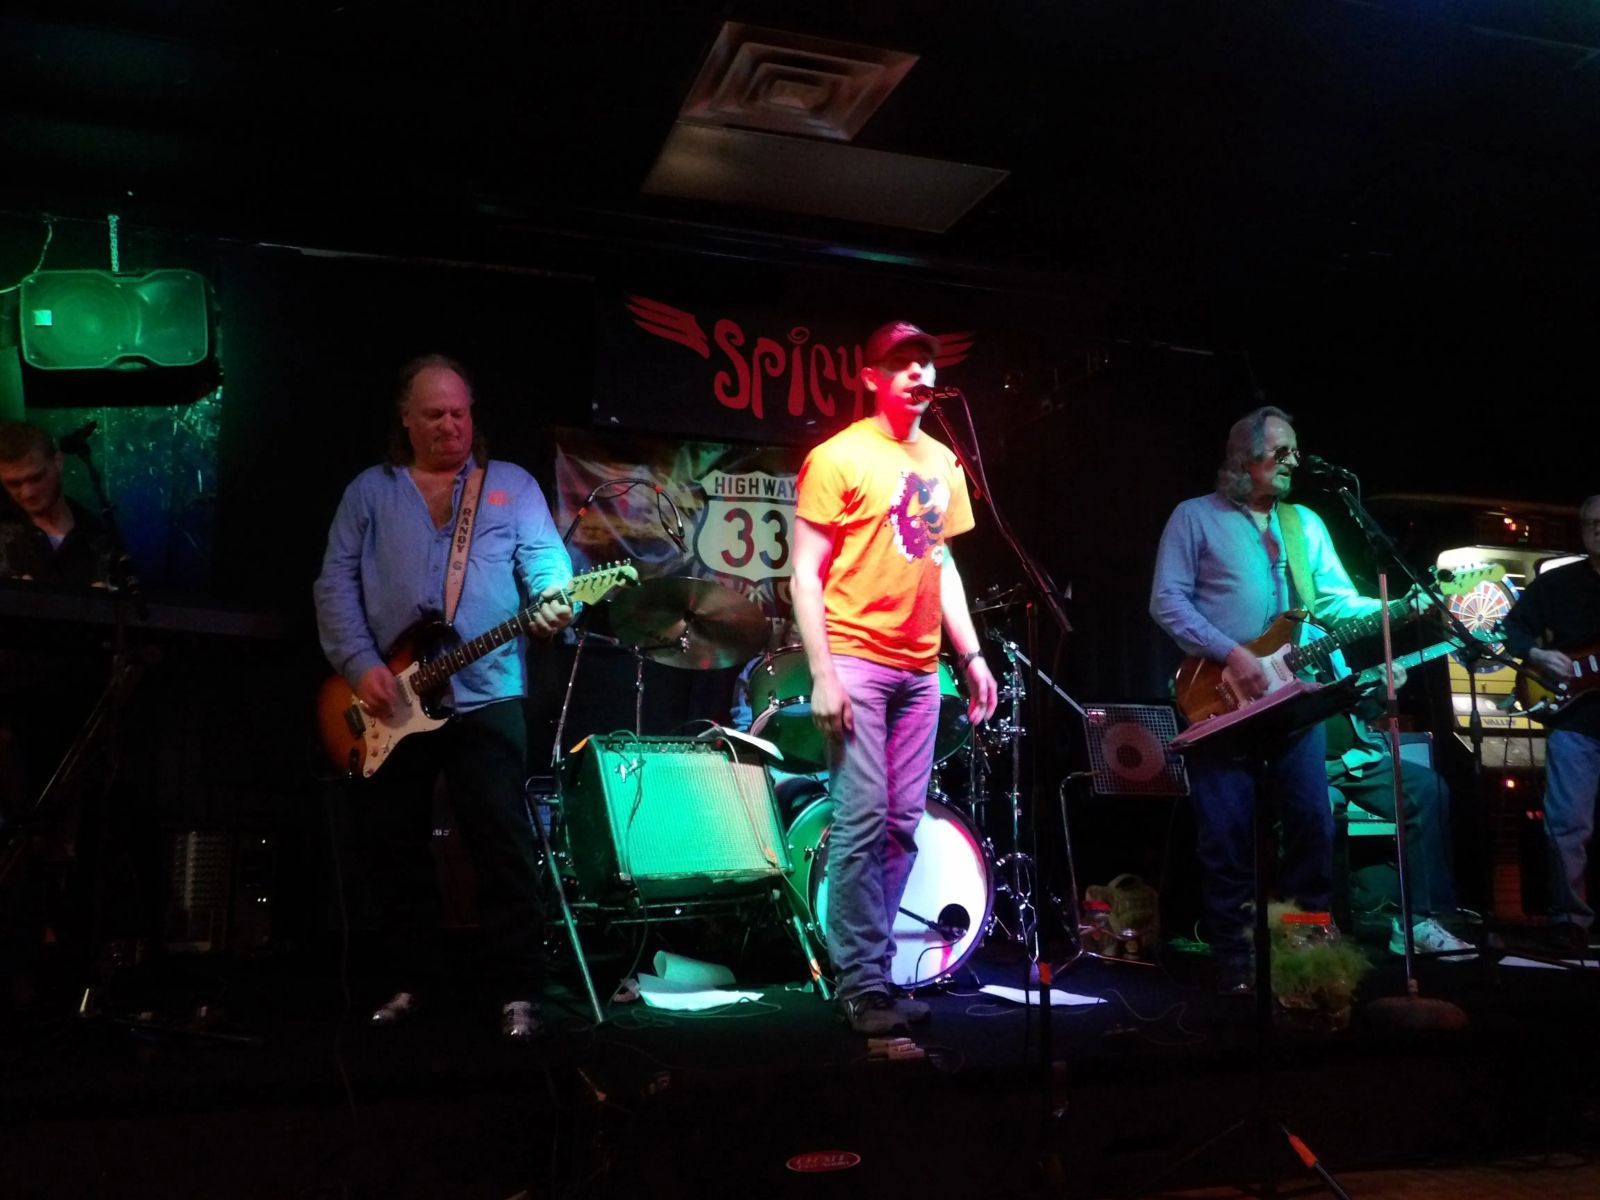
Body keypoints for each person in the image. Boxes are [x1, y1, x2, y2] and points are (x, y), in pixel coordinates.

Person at [1150, 405, 1470, 993]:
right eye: (1283, 450)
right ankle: (1236, 958)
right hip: (1218, 697)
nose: (1294, 460)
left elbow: (1336, 603)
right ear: (1245, 455)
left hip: (1294, 703)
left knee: (1310, 827)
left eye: (1296, 450)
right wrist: (1232, 653)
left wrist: (1403, 607)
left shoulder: (1305, 525)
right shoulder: (1194, 517)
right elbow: (1167, 602)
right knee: (1227, 833)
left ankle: (1305, 949)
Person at [313, 355, 574, 1040]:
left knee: (503, 844)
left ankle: (518, 989)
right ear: (406, 418)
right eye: (435, 414)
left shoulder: (509, 485)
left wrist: (554, 598)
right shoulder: (369, 493)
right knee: (394, 847)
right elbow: (334, 584)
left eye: (460, 412)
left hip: (487, 694)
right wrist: (360, 664)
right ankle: (411, 980)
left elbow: (546, 562)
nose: (451, 425)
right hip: (391, 701)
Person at [789, 320, 998, 1035]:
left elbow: (942, 564)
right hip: (855, 658)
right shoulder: (837, 457)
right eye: (901, 363)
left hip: (919, 669)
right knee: (862, 819)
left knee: (904, 824)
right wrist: (822, 674)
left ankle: (874, 977)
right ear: (871, 377)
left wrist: (971, 655)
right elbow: (804, 574)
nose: (918, 373)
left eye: (925, 363)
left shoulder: (942, 460)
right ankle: (860, 984)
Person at [1503, 494, 1600, 954]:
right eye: (1591, 522)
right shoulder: (1557, 583)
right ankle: (1571, 921)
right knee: (1568, 823)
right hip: (1575, 719)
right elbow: (1510, 629)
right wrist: (1539, 655)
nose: (1598, 529)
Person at [1324, 667, 1467, 953]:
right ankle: (1318, 924)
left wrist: (1381, 694)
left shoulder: (1329, 653)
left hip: (1353, 760)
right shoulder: (1273, 647)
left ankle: (1416, 924)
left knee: (1426, 788)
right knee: (1323, 808)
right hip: (1308, 766)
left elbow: (1360, 711)